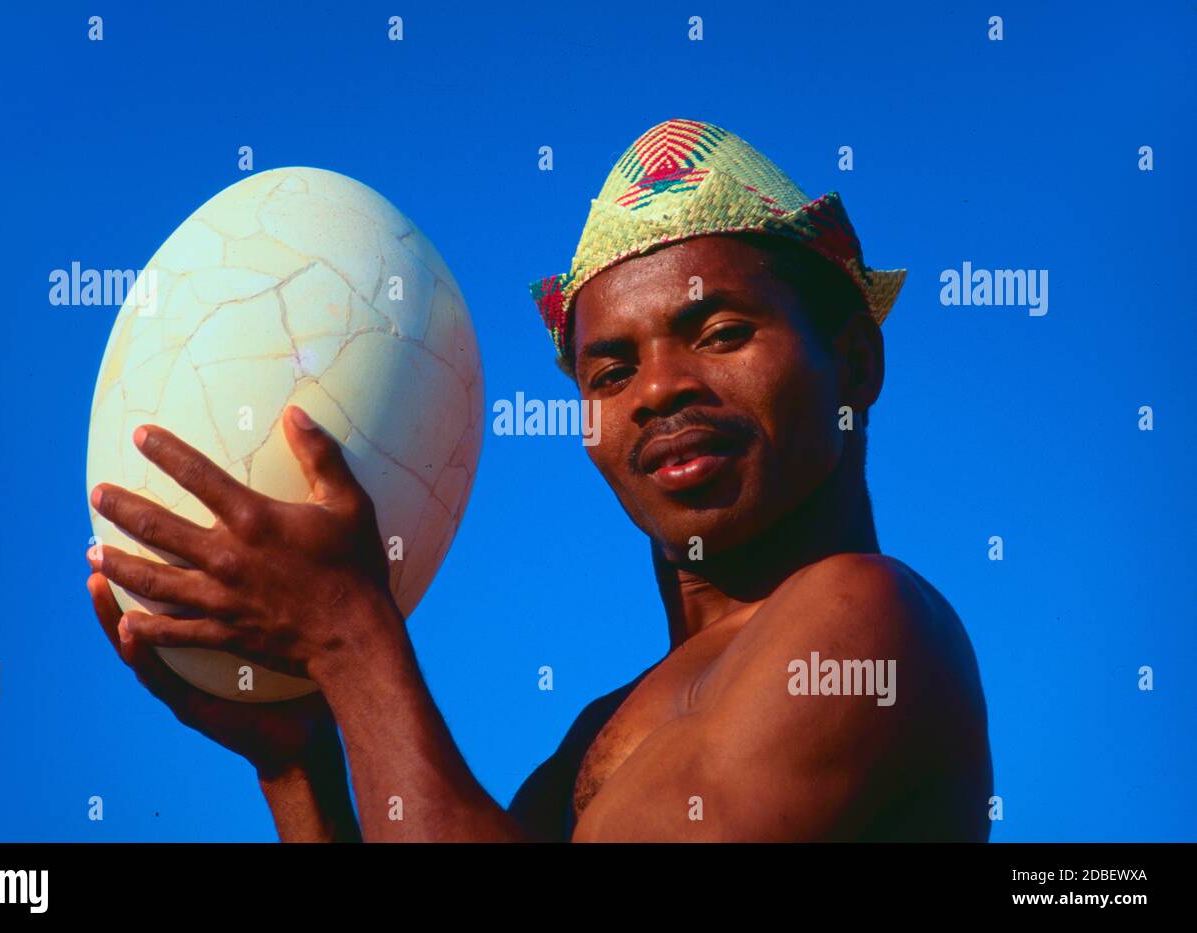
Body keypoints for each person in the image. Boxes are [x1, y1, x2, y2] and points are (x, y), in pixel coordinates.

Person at [85, 118, 992, 842]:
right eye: (609, 372)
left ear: (856, 361)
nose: (661, 388)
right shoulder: (586, 746)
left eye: (719, 332)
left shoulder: (870, 622)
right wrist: (300, 763)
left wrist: (349, 643)